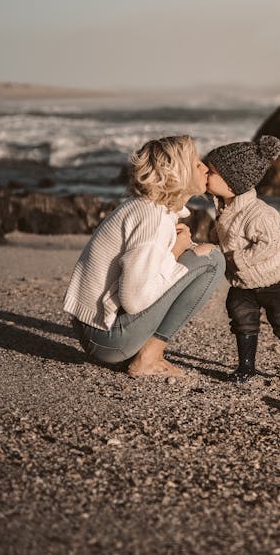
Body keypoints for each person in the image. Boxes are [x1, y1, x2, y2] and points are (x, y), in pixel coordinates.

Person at [64, 135, 225, 378]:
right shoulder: (153, 217)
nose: (205, 168)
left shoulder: (151, 208)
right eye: (196, 164)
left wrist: (179, 251)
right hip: (107, 338)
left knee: (197, 256)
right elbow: (135, 300)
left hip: (98, 330)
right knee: (212, 260)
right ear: (176, 172)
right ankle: (149, 357)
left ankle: (143, 353)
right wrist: (176, 252)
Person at [204, 135, 280, 389]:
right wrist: (214, 239)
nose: (205, 173)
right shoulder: (225, 205)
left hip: (274, 282)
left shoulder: (260, 214)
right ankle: (246, 366)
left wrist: (236, 258)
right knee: (241, 316)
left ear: (232, 182)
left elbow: (268, 244)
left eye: (211, 172)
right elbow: (226, 232)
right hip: (242, 282)